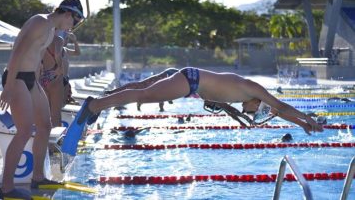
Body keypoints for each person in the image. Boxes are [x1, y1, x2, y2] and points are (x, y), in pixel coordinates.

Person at [0, 0, 84, 199]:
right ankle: (7, 188)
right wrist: (9, 86)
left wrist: (38, 82)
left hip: (31, 80)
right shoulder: (40, 22)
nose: (74, 26)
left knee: (45, 126)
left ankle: (38, 176)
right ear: (68, 14)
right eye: (75, 21)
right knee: (24, 131)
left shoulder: (52, 30)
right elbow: (17, 52)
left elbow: (36, 58)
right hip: (16, 77)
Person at [77, 67, 323, 135]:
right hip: (191, 79)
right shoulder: (253, 89)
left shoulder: (247, 99)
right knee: (144, 95)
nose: (247, 112)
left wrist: (301, 125)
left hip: (190, 81)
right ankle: (95, 105)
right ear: (258, 103)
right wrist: (308, 117)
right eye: (252, 112)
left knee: (143, 90)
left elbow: (278, 113)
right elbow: (281, 106)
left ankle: (98, 103)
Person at [104, 68, 178, 112]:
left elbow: (164, 93)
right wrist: (169, 99)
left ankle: (113, 96)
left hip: (144, 87)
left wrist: (169, 99)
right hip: (142, 86)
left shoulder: (163, 78)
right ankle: (112, 94)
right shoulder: (163, 78)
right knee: (128, 88)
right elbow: (164, 92)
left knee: (128, 89)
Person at [39, 35, 64, 127]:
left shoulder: (41, 38)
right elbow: (57, 54)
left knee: (46, 113)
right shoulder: (58, 39)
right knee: (56, 114)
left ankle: (47, 137)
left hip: (43, 76)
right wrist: (60, 67)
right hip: (54, 75)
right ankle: (57, 139)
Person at [59, 31, 81, 105]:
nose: (67, 40)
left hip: (65, 79)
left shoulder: (65, 50)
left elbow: (77, 53)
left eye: (68, 39)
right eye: (66, 38)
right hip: (58, 79)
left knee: (64, 103)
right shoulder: (53, 49)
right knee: (59, 103)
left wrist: (75, 41)